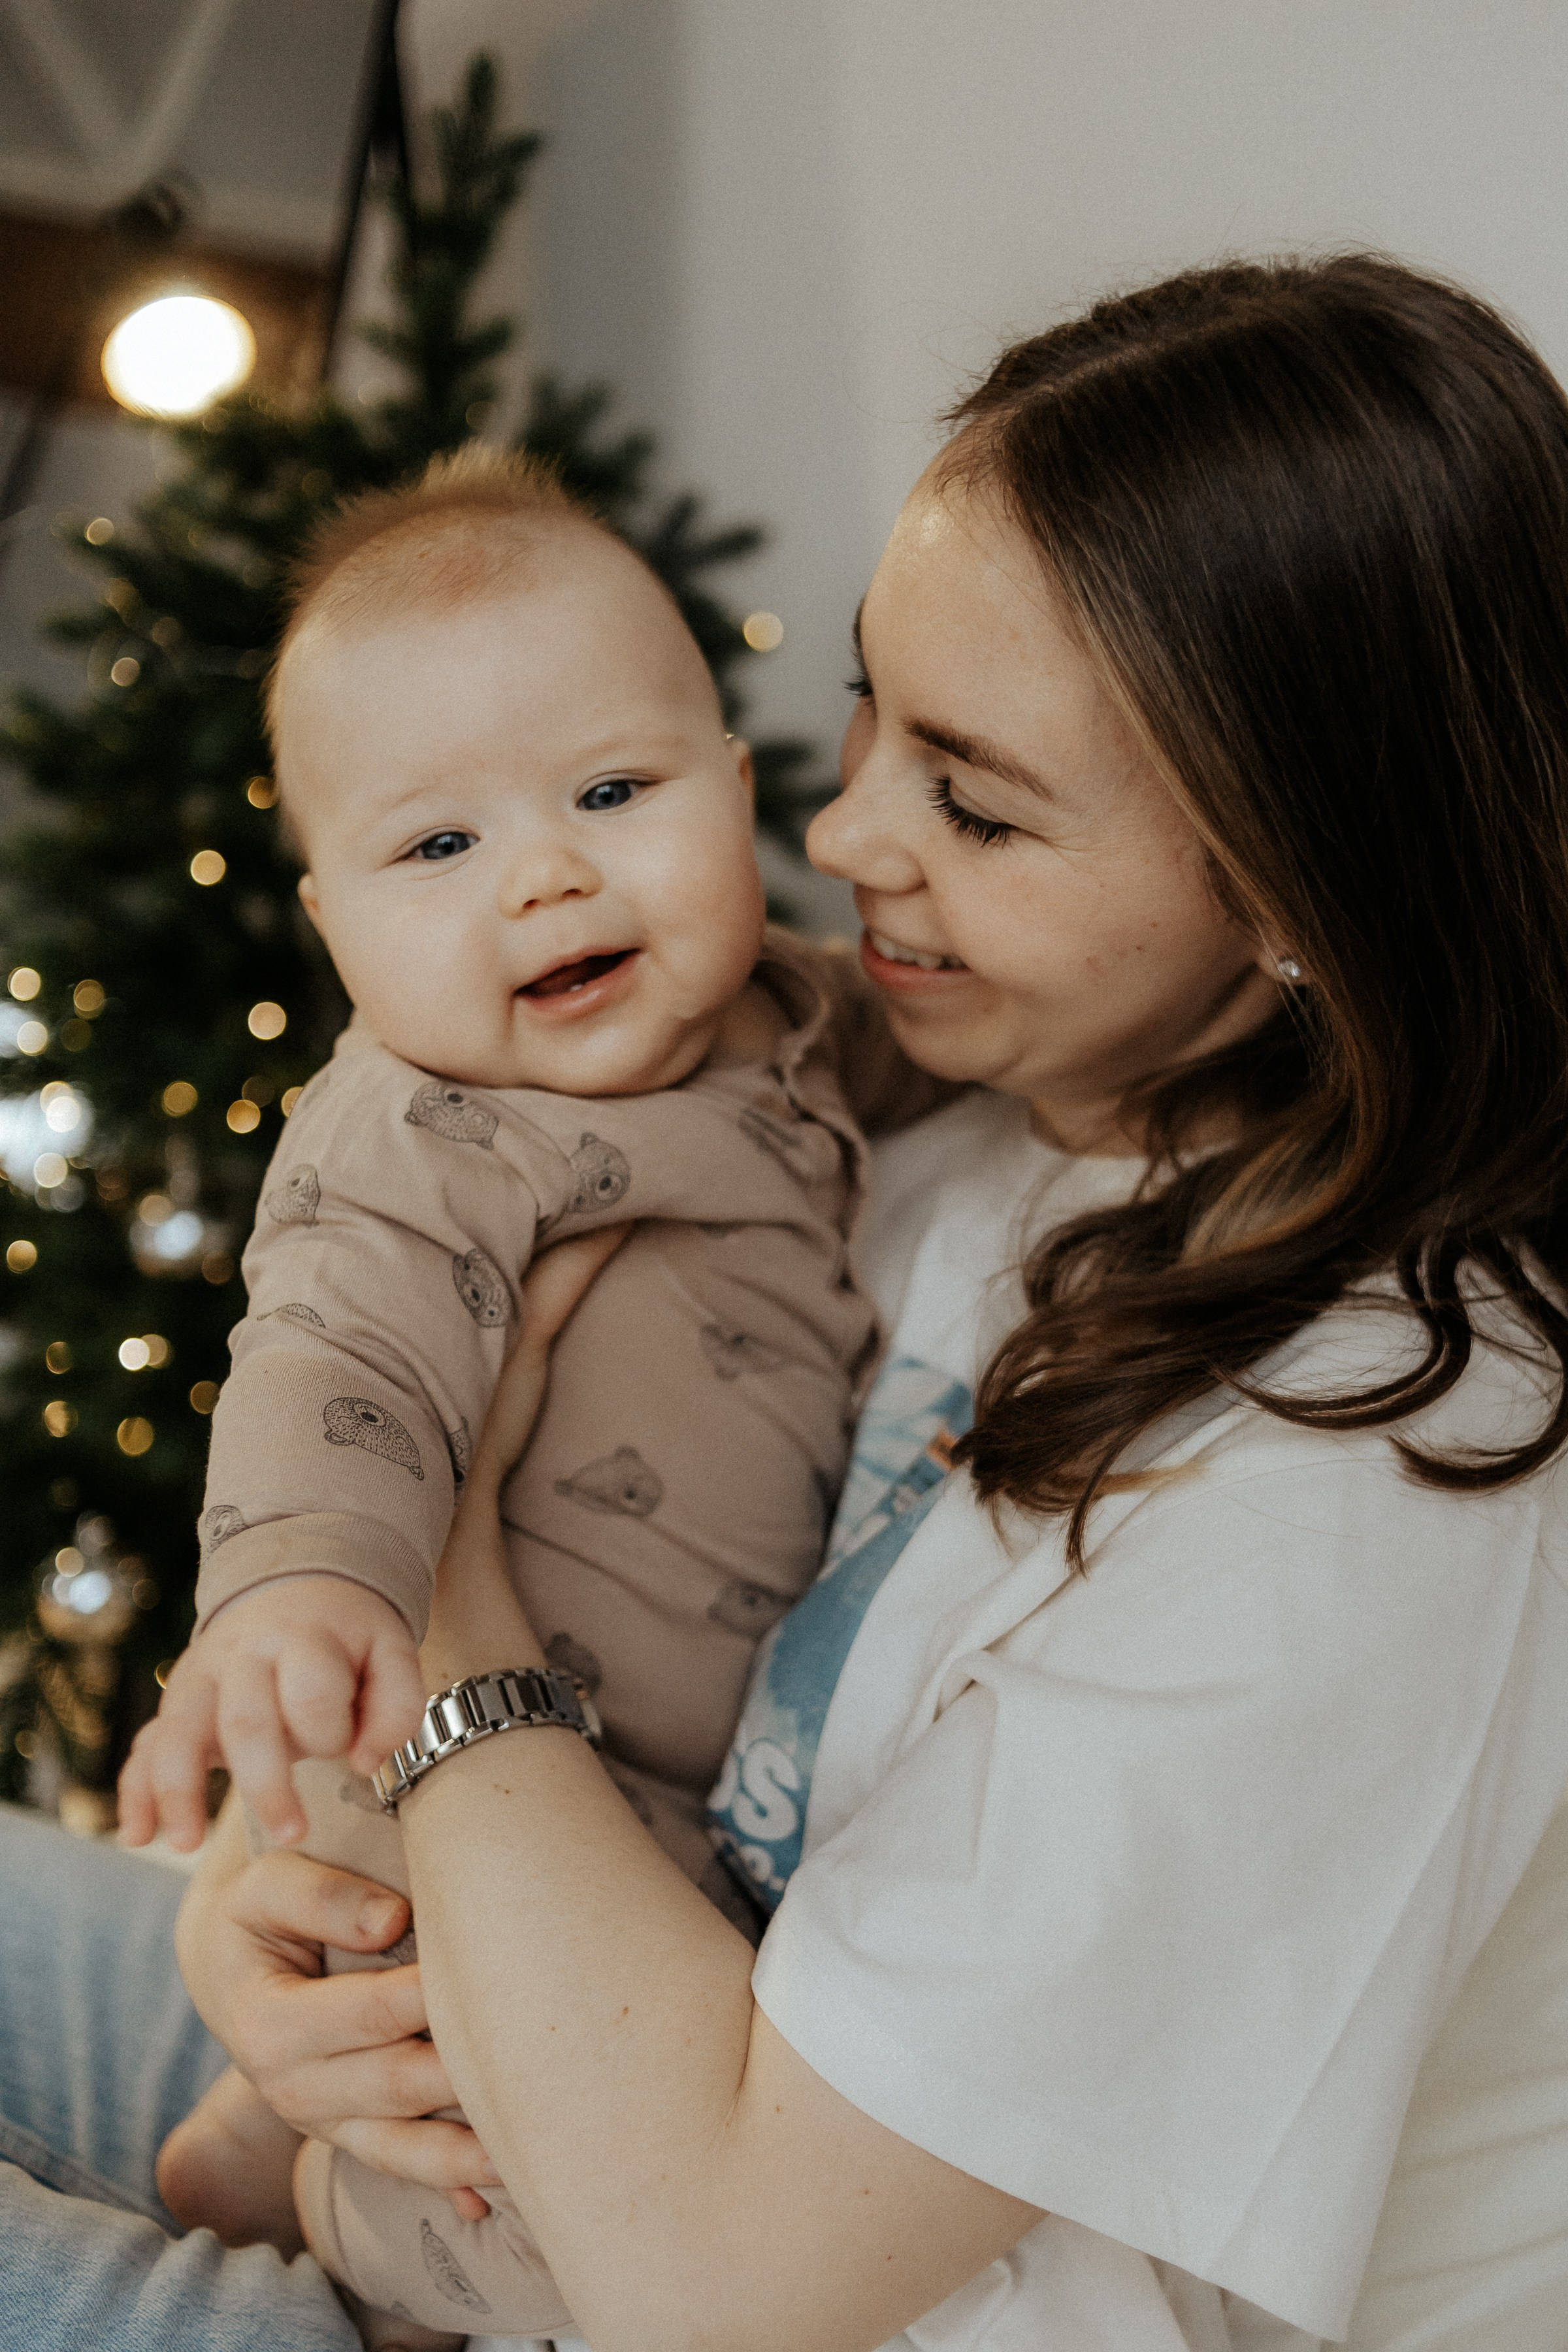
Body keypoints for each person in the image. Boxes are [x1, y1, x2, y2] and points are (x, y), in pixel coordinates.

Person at [3, 250, 1568, 2352]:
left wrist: (443, 1606)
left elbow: (718, 2283)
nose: (840, 831)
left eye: (976, 798)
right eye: (867, 710)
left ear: (1298, 891)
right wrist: (262, 1946)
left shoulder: (1374, 1481)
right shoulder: (955, 1100)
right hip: (508, 2001)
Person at [116, 444, 935, 2338]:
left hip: (649, 1786)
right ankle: (322, 2190)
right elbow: (338, 1357)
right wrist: (303, 1588)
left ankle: (267, 2137)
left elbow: (954, 1070)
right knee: (527, 2192)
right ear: (329, 924)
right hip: (468, 1768)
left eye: (614, 791)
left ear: (739, 799)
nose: (547, 871)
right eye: (437, 847)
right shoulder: (421, 1126)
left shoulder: (801, 1018)